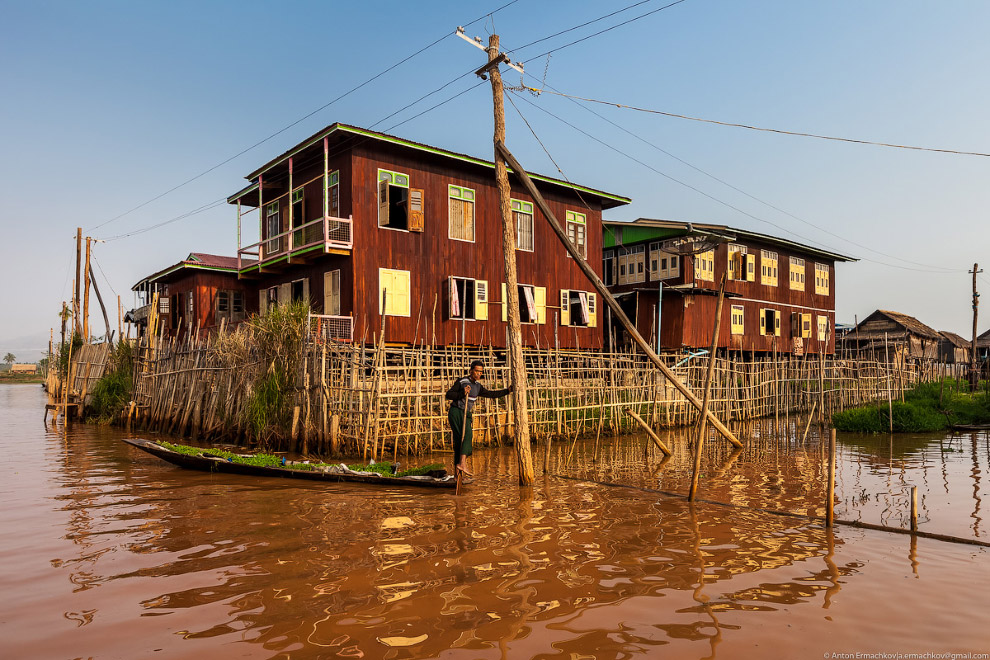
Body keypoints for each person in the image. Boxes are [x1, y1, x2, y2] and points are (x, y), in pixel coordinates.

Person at [445, 360, 512, 479]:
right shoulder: (462, 382)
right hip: (456, 412)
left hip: (466, 413)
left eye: (480, 372)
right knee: (467, 435)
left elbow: (491, 394)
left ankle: (457, 473)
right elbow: (448, 395)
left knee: (460, 442)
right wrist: (462, 393)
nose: (478, 374)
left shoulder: (477, 386)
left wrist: (508, 391)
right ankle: (462, 463)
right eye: (476, 371)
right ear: (471, 371)